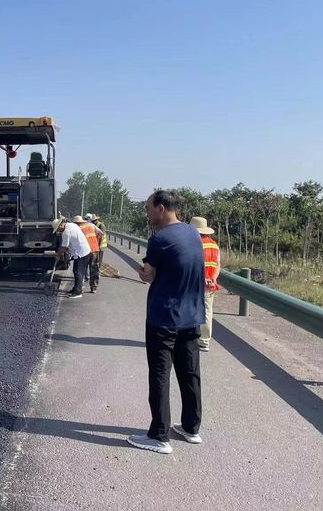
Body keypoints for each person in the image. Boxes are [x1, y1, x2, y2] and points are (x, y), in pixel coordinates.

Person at [128, 190, 205, 454]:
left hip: (164, 318)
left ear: (161, 208)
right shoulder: (192, 233)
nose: (147, 214)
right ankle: (191, 428)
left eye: (149, 208)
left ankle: (159, 435)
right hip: (192, 316)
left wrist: (143, 272)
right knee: (189, 373)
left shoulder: (159, 239)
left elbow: (148, 276)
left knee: (160, 374)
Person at [190, 216, 220, 353]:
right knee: (207, 311)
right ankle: (204, 341)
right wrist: (212, 278)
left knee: (189, 309)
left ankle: (188, 338)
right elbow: (218, 265)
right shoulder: (214, 245)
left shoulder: (193, 243)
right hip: (209, 284)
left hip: (194, 282)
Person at [52, 217, 91, 299]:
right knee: (77, 271)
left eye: (58, 229)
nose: (58, 231)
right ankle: (75, 289)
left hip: (81, 253)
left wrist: (58, 255)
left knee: (78, 272)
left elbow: (63, 247)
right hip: (83, 251)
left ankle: (78, 292)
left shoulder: (66, 232)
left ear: (61, 225)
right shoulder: (72, 225)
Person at [72, 215, 101, 293]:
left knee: (81, 270)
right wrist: (97, 243)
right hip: (95, 249)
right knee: (94, 269)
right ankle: (93, 287)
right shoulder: (91, 225)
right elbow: (101, 233)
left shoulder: (78, 229)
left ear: (76, 223)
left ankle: (80, 287)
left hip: (86, 251)